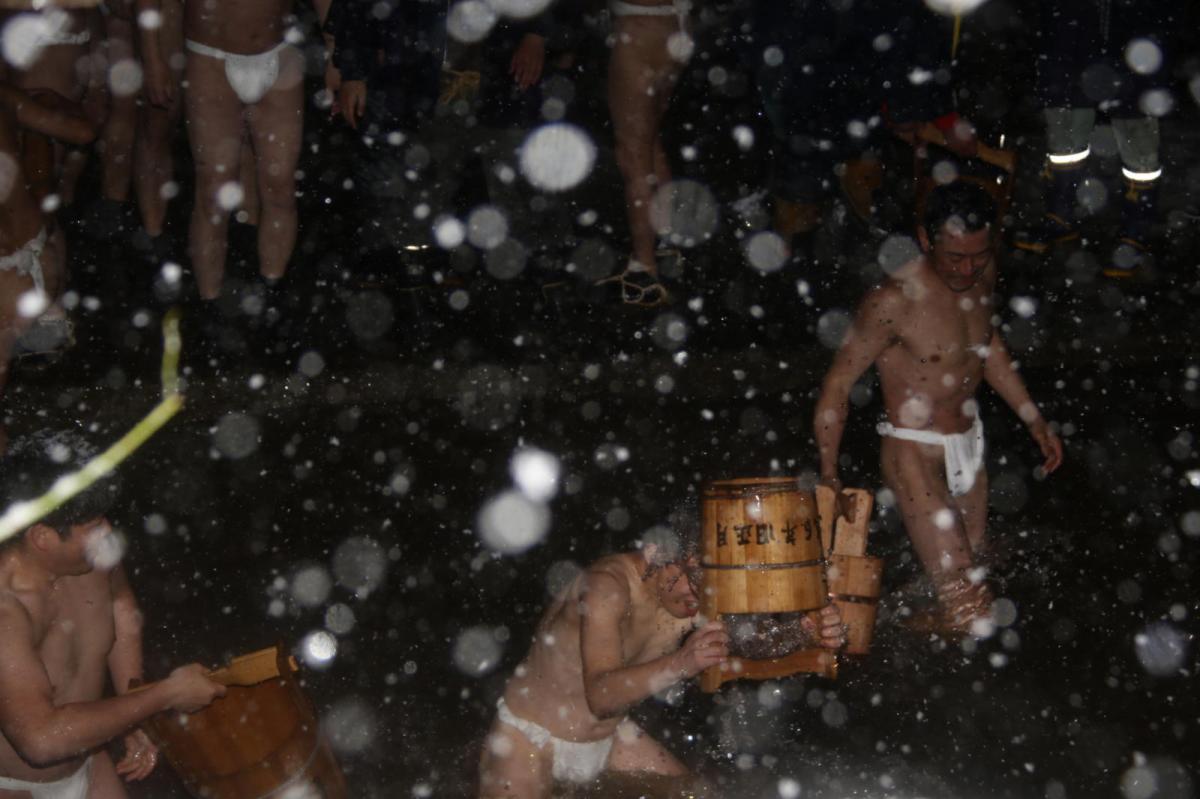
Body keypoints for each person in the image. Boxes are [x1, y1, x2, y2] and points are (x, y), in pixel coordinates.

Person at [813, 182, 1064, 635]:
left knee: (971, 572)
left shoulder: (981, 272)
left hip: (969, 442)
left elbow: (987, 349)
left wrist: (1035, 420)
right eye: (955, 257)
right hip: (914, 452)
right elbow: (837, 385)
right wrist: (829, 474)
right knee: (974, 612)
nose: (967, 269)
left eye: (978, 256)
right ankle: (918, 636)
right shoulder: (892, 301)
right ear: (927, 240)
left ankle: (921, 618)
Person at [478, 517, 846, 797]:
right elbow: (601, 696)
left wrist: (806, 632)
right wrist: (682, 663)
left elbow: (747, 644)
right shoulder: (607, 587)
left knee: (701, 793)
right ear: (657, 555)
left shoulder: (691, 591)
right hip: (530, 738)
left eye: (708, 588)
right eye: (692, 584)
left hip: (609, 740)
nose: (697, 601)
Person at [0, 432, 225, 798]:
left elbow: (122, 612)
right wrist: (164, 696)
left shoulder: (95, 556)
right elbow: (40, 740)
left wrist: (132, 706)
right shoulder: (5, 611)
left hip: (87, 757)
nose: (106, 532)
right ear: (42, 537)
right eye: (91, 526)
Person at [1013, 1, 1175, 278]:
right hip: (1071, 32)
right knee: (1064, 130)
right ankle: (1059, 215)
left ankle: (1136, 230)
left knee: (1137, 132)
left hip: (1134, 31)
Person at [0, 76, 98, 452]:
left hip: (11, 281)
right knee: (39, 183)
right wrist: (57, 100)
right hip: (41, 263)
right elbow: (84, 132)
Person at [182, 0, 303, 300]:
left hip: (279, 52)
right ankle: (208, 301)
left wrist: (336, 53)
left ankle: (272, 290)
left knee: (280, 186)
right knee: (213, 193)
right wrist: (155, 58)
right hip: (209, 57)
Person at [601, 0, 693, 307]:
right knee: (649, 140)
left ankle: (644, 268)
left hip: (640, 29)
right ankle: (663, 244)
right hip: (675, 27)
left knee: (632, 153)